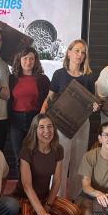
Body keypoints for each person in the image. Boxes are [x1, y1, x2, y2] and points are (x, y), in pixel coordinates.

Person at [40, 39, 99, 200]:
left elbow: (93, 102)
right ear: (69, 53)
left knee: (79, 161)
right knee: (61, 160)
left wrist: (95, 106)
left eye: (83, 52)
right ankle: (57, 199)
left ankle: (75, 199)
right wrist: (41, 117)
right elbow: (49, 98)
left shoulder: (89, 77)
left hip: (81, 124)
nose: (80, 55)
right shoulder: (59, 74)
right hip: (61, 124)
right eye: (77, 51)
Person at [8, 47, 50, 174]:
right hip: (16, 121)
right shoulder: (12, 79)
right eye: (25, 58)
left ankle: (34, 184)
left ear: (36, 61)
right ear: (19, 60)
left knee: (34, 156)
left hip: (35, 120)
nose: (28, 62)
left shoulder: (43, 80)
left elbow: (49, 100)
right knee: (19, 156)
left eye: (31, 58)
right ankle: (21, 184)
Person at [17, 113, 64, 215]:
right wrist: (42, 213)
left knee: (73, 212)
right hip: (25, 198)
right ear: (35, 130)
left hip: (46, 198)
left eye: (50, 126)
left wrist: (47, 206)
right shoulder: (26, 150)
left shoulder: (58, 149)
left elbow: (57, 181)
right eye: (41, 127)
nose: (47, 131)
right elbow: (27, 186)